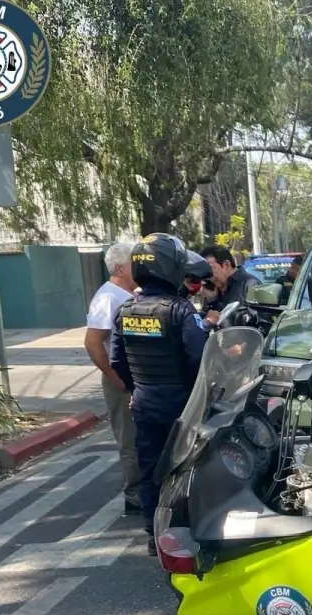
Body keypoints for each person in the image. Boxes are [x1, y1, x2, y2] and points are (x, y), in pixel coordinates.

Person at [111, 233, 209, 556]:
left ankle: (154, 536)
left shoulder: (125, 310)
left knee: (150, 468)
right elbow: (200, 358)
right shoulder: (181, 311)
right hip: (182, 405)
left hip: (144, 403)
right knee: (189, 466)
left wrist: (135, 388)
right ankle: (191, 528)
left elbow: (116, 361)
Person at [84, 242, 141, 515]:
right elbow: (94, 342)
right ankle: (135, 496)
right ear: (120, 268)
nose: (139, 268)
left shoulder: (129, 294)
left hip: (139, 378)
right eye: (134, 263)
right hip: (121, 381)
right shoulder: (108, 298)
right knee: (130, 439)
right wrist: (113, 376)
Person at [202, 245, 260, 325]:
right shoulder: (214, 290)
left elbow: (262, 326)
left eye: (210, 270)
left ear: (226, 265)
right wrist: (210, 301)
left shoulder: (250, 285)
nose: (208, 276)